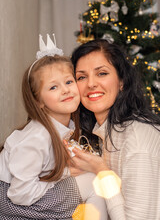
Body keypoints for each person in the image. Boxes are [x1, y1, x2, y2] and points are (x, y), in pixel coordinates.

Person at [0, 35, 108, 220]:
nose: (65, 90)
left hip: (28, 195)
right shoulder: (36, 138)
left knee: (91, 180)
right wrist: (64, 174)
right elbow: (19, 194)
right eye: (53, 87)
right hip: (12, 204)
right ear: (38, 101)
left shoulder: (65, 128)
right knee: (93, 183)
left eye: (68, 82)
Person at [69, 38, 160, 220]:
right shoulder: (102, 132)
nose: (91, 84)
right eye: (81, 77)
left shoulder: (137, 139)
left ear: (122, 82)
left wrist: (101, 171)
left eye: (102, 73)